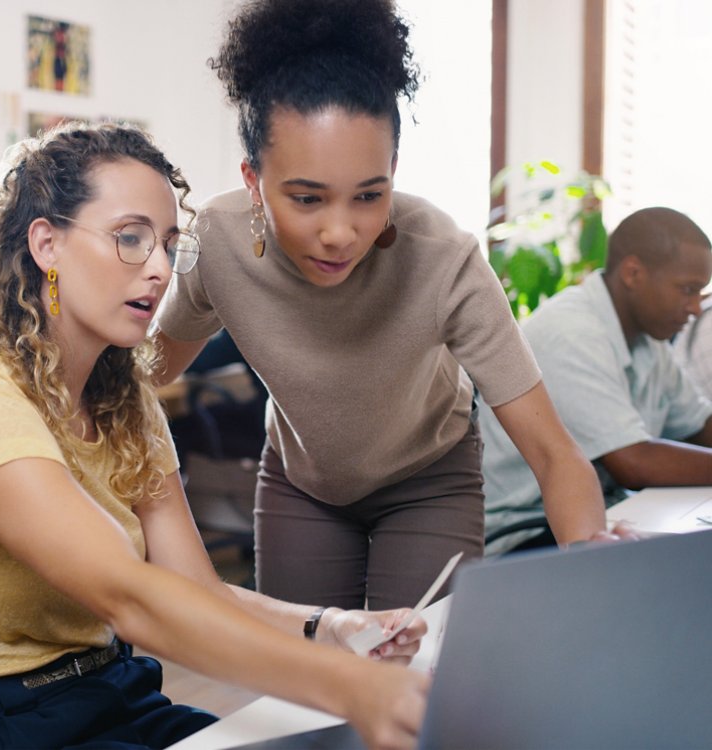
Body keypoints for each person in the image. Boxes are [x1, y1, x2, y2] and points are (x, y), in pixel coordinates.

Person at [0, 121, 429, 750]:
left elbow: (190, 590)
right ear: (46, 245)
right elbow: (132, 598)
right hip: (1, 722)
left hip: (116, 695)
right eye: (130, 239)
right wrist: (345, 686)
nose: (159, 269)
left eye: (169, 244)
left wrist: (325, 627)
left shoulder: (126, 404)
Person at [150, 0, 629, 612]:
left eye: (369, 195)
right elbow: (151, 372)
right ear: (253, 180)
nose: (341, 232)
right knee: (308, 685)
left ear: (394, 171)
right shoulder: (216, 242)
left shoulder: (444, 259)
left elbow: (553, 452)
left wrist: (592, 557)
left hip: (430, 479)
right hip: (303, 484)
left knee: (417, 670)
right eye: (307, 199)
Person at [481, 207, 712, 552]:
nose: (696, 308)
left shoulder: (648, 336)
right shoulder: (573, 331)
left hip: (602, 513)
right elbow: (633, 463)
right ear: (633, 273)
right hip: (526, 531)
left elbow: (698, 426)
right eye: (687, 289)